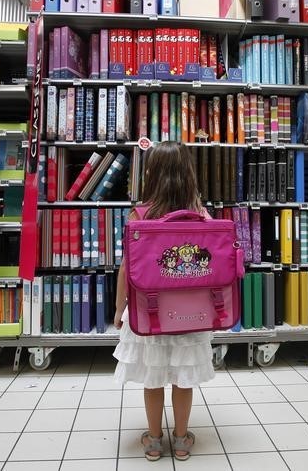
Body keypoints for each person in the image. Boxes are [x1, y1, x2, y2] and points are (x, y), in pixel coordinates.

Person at [113, 141, 215, 462]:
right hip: (191, 312)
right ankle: (182, 440)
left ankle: (154, 441)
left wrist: (119, 310)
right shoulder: (200, 215)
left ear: (151, 174)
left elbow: (127, 269)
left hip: (149, 312)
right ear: (188, 173)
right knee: (183, 379)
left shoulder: (139, 215)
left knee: (153, 377)